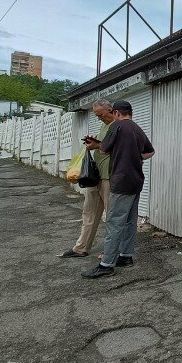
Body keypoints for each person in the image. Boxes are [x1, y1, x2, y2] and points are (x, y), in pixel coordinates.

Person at [81, 99, 154, 278]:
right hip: (136, 181)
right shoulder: (137, 128)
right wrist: (135, 157)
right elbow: (150, 152)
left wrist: (96, 144)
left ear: (116, 113)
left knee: (114, 222)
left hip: (121, 181)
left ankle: (106, 264)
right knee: (129, 221)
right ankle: (126, 256)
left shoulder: (117, 126)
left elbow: (104, 150)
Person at [58, 99, 115, 259]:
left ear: (110, 109)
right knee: (89, 213)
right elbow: (103, 145)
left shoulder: (118, 126)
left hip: (109, 176)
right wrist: (94, 142)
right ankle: (81, 247)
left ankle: (111, 250)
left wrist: (98, 145)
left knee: (112, 215)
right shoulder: (104, 125)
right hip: (95, 176)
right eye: (96, 116)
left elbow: (120, 148)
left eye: (101, 115)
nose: (99, 118)